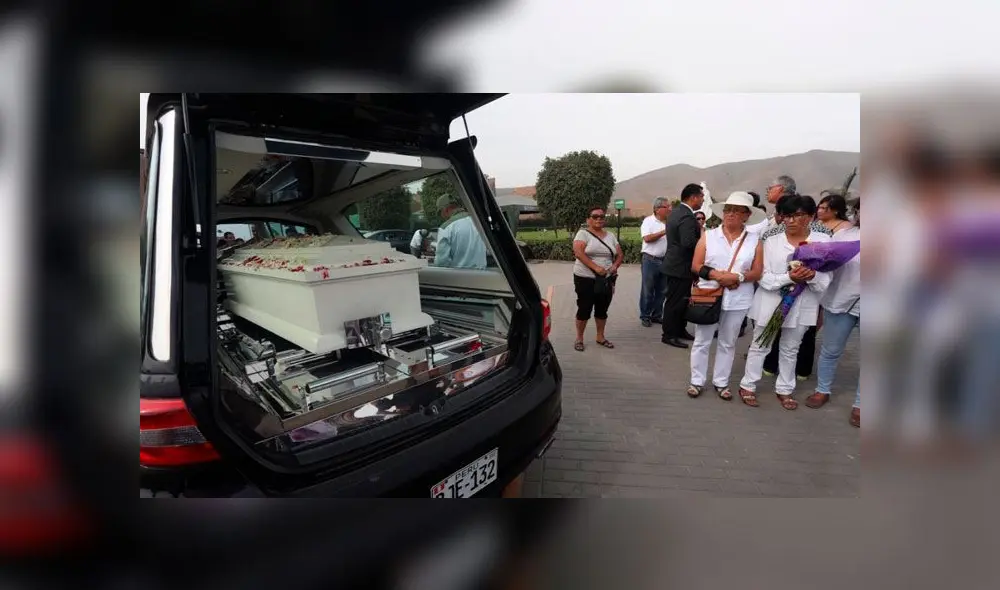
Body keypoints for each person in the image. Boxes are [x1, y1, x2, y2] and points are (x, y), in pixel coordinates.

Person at [738, 195, 832, 410]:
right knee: (760, 345)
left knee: (791, 348)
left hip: (804, 302)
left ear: (810, 217)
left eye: (797, 215)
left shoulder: (822, 242)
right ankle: (748, 385)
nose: (790, 220)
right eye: (786, 215)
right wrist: (790, 278)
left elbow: (827, 278)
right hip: (771, 302)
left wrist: (811, 277)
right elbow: (763, 276)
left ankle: (785, 389)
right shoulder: (771, 240)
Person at [687, 192, 765, 400]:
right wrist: (716, 275)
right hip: (709, 296)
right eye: (728, 209)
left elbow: (757, 272)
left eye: (737, 210)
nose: (730, 214)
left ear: (747, 215)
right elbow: (696, 265)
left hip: (738, 299)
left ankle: (721, 382)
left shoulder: (754, 241)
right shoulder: (709, 236)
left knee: (728, 342)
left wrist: (737, 276)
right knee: (702, 340)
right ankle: (697, 380)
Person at [806, 195, 861, 427]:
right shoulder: (844, 235)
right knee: (830, 350)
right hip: (840, 301)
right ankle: (822, 390)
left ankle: (861, 405)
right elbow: (828, 266)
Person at [572, 207, 624, 352]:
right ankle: (579, 338)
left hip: (606, 279)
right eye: (595, 216)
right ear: (588, 219)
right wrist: (596, 267)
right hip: (585, 278)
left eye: (602, 217)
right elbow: (578, 253)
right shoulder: (583, 234)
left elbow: (619, 254)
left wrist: (614, 266)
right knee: (584, 308)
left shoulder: (611, 236)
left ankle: (600, 337)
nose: (599, 219)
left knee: (602, 308)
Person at [660, 183, 705, 349]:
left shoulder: (677, 212)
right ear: (693, 197)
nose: (702, 200)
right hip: (680, 266)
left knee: (682, 300)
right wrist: (705, 245)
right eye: (701, 197)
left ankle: (680, 329)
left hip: (676, 265)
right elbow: (688, 243)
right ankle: (669, 334)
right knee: (675, 302)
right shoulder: (686, 216)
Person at [639, 197, 671, 327]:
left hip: (665, 261)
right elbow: (647, 238)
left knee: (662, 290)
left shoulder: (669, 222)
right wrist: (665, 231)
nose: (669, 209)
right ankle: (645, 316)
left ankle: (657, 315)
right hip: (650, 260)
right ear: (658, 209)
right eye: (666, 207)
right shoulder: (648, 221)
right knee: (648, 290)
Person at [433, 194, 487, 269]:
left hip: (460, 277)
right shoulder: (478, 221)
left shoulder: (446, 228)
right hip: (483, 274)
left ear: (446, 210)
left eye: (440, 213)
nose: (441, 216)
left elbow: (441, 262)